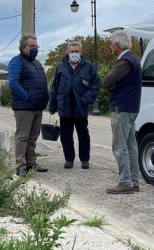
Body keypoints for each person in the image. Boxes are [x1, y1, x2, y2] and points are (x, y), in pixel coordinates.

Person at [48, 41, 100, 169]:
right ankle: (69, 159)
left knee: (83, 134)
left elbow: (95, 86)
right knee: (66, 135)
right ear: (68, 52)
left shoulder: (88, 67)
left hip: (80, 107)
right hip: (64, 107)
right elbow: (55, 87)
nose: (74, 54)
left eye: (77, 51)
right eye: (72, 51)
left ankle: (85, 160)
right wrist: (52, 106)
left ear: (81, 52)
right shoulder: (61, 67)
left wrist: (86, 100)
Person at [102, 30, 142, 194]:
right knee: (131, 145)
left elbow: (107, 81)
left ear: (117, 45)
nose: (111, 46)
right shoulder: (134, 59)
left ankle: (125, 182)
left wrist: (112, 85)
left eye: (111, 43)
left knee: (119, 146)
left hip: (121, 107)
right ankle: (133, 181)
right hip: (132, 107)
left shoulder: (124, 61)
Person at [8, 34, 49, 176]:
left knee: (33, 137)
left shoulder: (37, 63)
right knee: (22, 136)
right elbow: (13, 83)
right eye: (32, 46)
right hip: (24, 107)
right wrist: (28, 97)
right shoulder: (16, 61)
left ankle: (31, 163)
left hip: (38, 107)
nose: (35, 49)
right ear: (23, 47)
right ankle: (20, 165)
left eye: (36, 46)